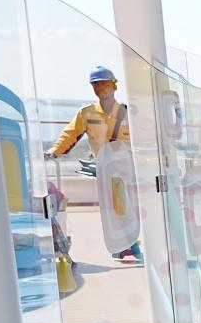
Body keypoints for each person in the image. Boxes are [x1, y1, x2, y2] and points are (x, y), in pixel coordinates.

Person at [47, 65, 137, 261]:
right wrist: (55, 151)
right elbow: (70, 134)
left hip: (129, 169)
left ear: (114, 86)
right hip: (106, 169)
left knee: (128, 207)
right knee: (113, 207)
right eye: (96, 85)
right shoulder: (86, 113)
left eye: (104, 84)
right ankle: (123, 245)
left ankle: (130, 243)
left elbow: (144, 137)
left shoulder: (127, 113)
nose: (101, 88)